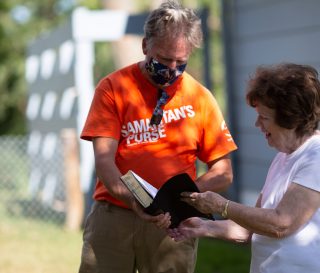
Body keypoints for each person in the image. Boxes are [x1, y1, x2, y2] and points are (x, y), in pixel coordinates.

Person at [78, 1, 237, 273]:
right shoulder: (113, 88)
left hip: (173, 221)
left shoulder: (199, 97)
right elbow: (105, 161)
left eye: (181, 62)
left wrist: (180, 199)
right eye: (164, 60)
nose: (172, 69)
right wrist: (133, 201)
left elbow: (223, 172)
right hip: (115, 214)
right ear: (145, 46)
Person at [168, 63, 320, 273]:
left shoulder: (316, 157)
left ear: (289, 118)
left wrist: (222, 206)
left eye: (264, 117)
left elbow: (281, 223)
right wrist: (204, 226)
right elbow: (251, 228)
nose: (258, 124)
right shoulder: (282, 158)